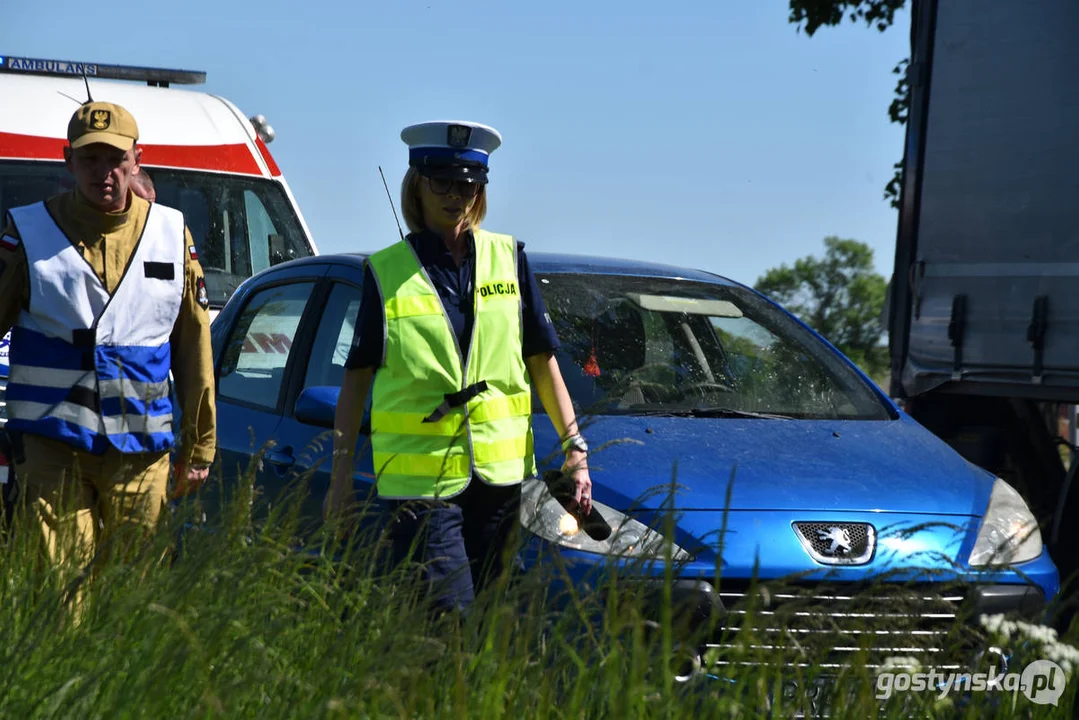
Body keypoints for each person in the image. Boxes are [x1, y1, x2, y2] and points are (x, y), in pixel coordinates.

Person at [325, 120, 592, 614]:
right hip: (421, 488)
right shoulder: (385, 273)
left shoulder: (509, 259)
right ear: (416, 186)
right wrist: (340, 483)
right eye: (442, 181)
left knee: (491, 623)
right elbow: (355, 383)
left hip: (501, 483)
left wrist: (576, 449)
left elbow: (542, 363)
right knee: (448, 618)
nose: (457, 195)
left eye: (469, 183)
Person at [0, 100, 217, 594]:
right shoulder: (28, 231)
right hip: (52, 445)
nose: (104, 172)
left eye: (116, 159)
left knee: (134, 599)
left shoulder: (170, 232)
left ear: (137, 160)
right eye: (90, 159)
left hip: (142, 452)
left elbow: (193, 345)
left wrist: (200, 444)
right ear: (67, 160)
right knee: (60, 594)